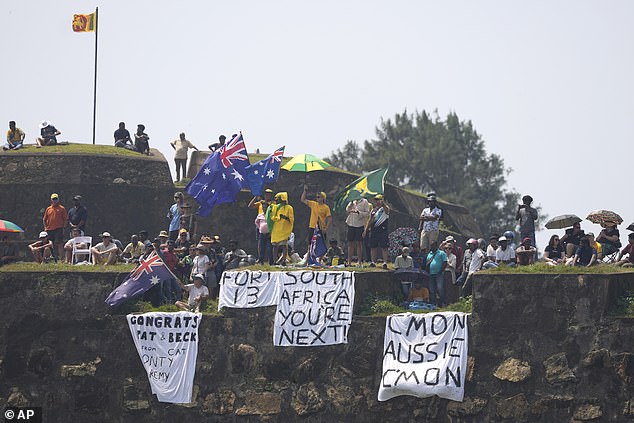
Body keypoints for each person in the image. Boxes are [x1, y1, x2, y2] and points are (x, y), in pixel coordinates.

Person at [249, 189, 274, 265]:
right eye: (266, 194)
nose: (267, 195)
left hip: (269, 224)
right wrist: (255, 197)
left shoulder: (273, 203)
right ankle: (261, 259)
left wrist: (266, 203)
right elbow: (250, 206)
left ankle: (271, 260)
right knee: (260, 244)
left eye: (269, 194)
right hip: (260, 224)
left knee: (270, 245)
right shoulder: (260, 203)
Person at [364, 194, 390, 268]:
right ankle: (373, 261)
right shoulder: (374, 210)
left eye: (378, 200)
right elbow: (370, 220)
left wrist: (383, 204)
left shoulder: (384, 209)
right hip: (374, 230)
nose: (377, 202)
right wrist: (366, 230)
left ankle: (385, 262)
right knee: (373, 246)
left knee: (384, 247)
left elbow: (387, 211)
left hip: (383, 230)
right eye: (376, 200)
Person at [270, 192, 294, 265]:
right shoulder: (275, 207)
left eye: (278, 199)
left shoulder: (289, 208)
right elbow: (272, 217)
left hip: (284, 229)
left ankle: (284, 260)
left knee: (284, 245)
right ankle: (275, 261)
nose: (277, 200)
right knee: (275, 245)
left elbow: (291, 219)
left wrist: (285, 218)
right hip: (276, 229)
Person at [43, 193, 68, 261]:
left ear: (58, 199)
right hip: (49, 229)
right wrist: (45, 228)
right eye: (53, 199)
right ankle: (53, 258)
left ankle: (62, 259)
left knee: (59, 243)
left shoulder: (62, 208)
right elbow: (44, 219)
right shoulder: (48, 209)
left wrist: (64, 228)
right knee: (51, 244)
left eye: (56, 199)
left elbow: (65, 219)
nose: (55, 200)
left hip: (59, 229)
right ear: (51, 200)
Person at [345, 198, 371, 264]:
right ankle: (349, 261)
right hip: (351, 223)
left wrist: (359, 212)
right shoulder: (353, 201)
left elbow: (367, 213)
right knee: (350, 243)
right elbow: (347, 210)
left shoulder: (365, 201)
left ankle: (359, 261)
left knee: (359, 243)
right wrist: (351, 203)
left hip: (359, 224)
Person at [426, 241, 448, 307]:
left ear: (436, 246)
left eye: (433, 245)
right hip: (431, 274)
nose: (432, 247)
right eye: (431, 245)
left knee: (440, 288)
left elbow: (445, 262)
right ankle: (434, 303)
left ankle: (443, 302)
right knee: (432, 289)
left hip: (439, 274)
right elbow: (427, 263)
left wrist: (440, 271)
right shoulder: (429, 254)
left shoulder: (441, 253)